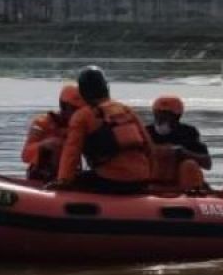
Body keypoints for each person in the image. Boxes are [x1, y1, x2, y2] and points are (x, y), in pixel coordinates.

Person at [54, 66, 155, 194]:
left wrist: (63, 181)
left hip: (110, 180)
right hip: (141, 178)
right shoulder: (126, 110)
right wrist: (149, 178)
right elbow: (149, 146)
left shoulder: (82, 116)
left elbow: (71, 152)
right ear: (106, 87)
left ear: (83, 92)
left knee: (77, 181)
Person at [22, 83, 86, 182]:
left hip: (70, 175)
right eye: (74, 109)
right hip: (42, 175)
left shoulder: (83, 126)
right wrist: (45, 144)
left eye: (80, 110)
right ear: (64, 106)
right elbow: (25, 155)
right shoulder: (41, 123)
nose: (78, 114)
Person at [146, 94, 211, 191]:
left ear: (177, 116)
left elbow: (207, 163)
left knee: (189, 164)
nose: (161, 117)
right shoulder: (146, 132)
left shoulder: (188, 132)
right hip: (152, 184)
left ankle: (193, 193)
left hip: (182, 183)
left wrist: (183, 153)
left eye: (166, 114)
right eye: (158, 113)